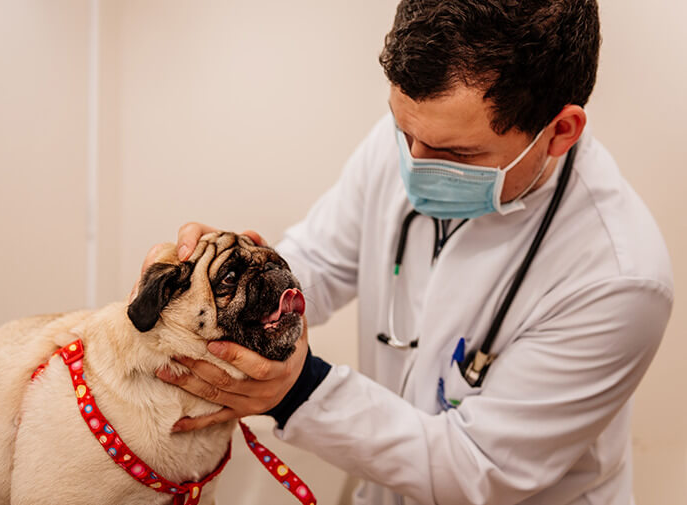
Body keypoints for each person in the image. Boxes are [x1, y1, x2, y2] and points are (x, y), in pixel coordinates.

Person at [141, 1, 674, 503]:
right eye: (403, 131)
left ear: (560, 131)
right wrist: (244, 282)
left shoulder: (620, 277)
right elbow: (320, 264)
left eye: (455, 154)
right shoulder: (422, 131)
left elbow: (477, 467)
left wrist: (296, 389)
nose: (414, 163)